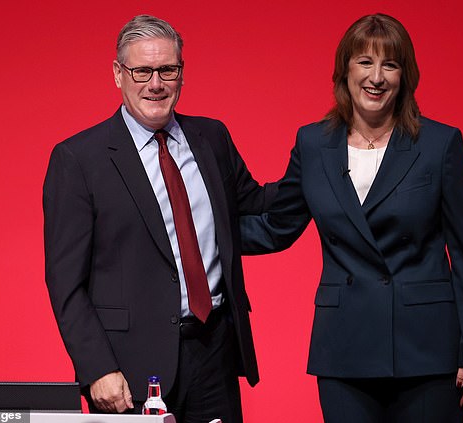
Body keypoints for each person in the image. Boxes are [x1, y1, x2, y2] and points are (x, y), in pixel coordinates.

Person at [241, 13, 463, 422]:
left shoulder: (440, 144)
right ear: (345, 70)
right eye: (365, 62)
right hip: (345, 347)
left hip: (427, 350)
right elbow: (277, 227)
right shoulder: (313, 143)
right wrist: (196, 236)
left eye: (389, 65)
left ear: (404, 76)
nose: (376, 77)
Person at [43, 15, 274, 423]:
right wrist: (96, 367)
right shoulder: (78, 159)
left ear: (181, 73)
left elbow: (257, 209)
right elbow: (66, 283)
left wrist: (321, 162)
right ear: (118, 74)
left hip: (215, 353)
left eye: (167, 69)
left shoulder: (212, 138)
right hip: (128, 371)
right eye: (142, 71)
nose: (156, 84)